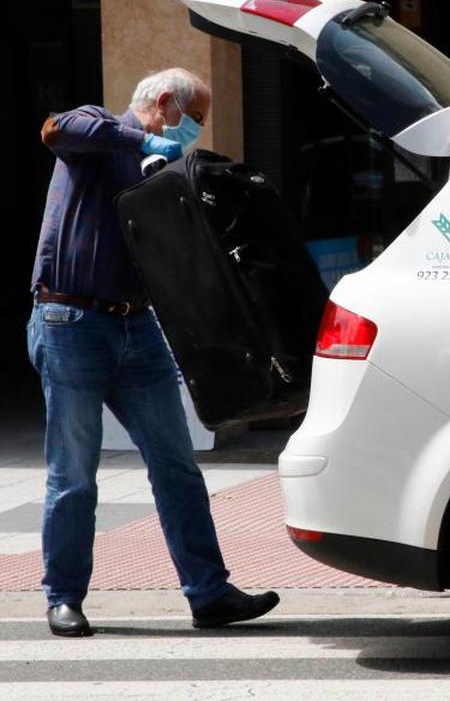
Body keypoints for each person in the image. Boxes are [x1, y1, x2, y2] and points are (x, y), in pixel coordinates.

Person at [29, 67, 280, 637]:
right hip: (71, 320)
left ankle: (209, 594)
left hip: (135, 326)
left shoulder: (162, 169)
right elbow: (55, 128)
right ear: (165, 104)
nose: (192, 131)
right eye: (192, 119)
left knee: (177, 467)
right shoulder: (98, 134)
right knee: (73, 474)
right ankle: (63, 596)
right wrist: (144, 140)